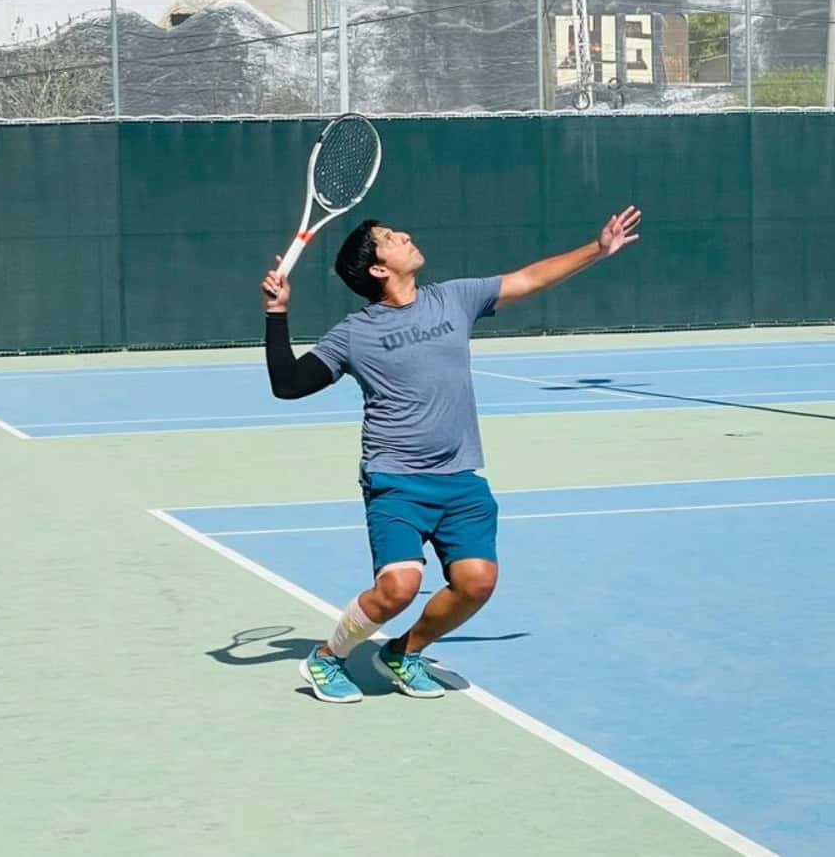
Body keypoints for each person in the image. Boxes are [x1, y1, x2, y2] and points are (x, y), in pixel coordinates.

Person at [262, 206, 642, 703]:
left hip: (461, 480)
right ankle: (328, 658)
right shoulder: (355, 333)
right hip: (395, 480)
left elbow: (527, 279)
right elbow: (288, 385)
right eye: (388, 237)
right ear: (378, 269)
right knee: (398, 588)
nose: (403, 234)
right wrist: (277, 313)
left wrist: (598, 249)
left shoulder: (454, 299)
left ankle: (403, 652)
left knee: (477, 583)